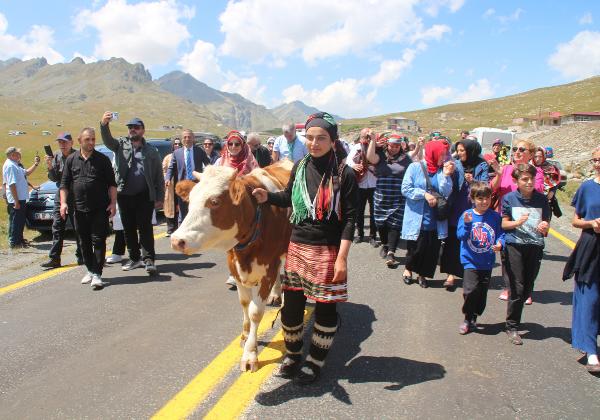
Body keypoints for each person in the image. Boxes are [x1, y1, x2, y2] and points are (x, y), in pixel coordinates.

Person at [252, 112, 358, 384]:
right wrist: (268, 197)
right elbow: (288, 196)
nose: (314, 143)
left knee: (324, 309)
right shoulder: (300, 167)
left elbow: (349, 220)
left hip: (327, 250)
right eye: (309, 138)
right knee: (291, 308)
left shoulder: (343, 174)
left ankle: (315, 361)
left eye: (321, 138)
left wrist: (342, 259)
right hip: (298, 246)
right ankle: (293, 355)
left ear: (333, 141)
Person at [100, 113, 164, 275]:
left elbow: (158, 176)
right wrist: (104, 124)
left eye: (136, 127)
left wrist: (159, 198)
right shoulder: (121, 145)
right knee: (128, 229)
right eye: (130, 127)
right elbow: (108, 141)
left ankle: (149, 260)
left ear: (143, 130)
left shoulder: (151, 150)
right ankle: (135, 258)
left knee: (145, 229)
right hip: (124, 195)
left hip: (144, 196)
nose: (132, 130)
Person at [60, 128, 117, 290]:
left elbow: (112, 184)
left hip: (99, 208)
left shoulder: (103, 160)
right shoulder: (71, 160)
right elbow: (64, 185)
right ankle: (90, 269)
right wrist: (63, 203)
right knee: (83, 241)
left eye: (93, 139)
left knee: (98, 240)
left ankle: (97, 274)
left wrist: (113, 203)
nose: (91, 142)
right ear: (80, 141)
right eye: (88, 139)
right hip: (78, 209)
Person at [501, 163, 550, 345]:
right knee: (517, 286)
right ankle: (512, 326)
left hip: (535, 246)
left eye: (532, 179)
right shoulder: (509, 199)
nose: (529, 183)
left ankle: (513, 320)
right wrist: (517, 223)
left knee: (528, 286)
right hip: (514, 246)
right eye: (525, 179)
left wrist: (545, 227)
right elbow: (504, 224)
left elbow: (546, 225)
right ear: (516, 181)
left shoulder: (542, 200)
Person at [490, 139, 544, 302]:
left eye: (522, 149)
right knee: (507, 253)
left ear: (531, 154)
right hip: (506, 217)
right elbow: (493, 188)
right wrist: (499, 174)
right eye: (515, 149)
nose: (517, 152)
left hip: (527, 219)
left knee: (527, 256)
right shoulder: (506, 169)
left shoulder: (536, 172)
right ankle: (509, 287)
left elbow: (538, 191)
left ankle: (526, 290)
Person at [563, 147, 600, 373]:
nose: (597, 163)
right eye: (595, 159)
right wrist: (591, 223)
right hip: (591, 248)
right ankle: (590, 350)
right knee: (589, 297)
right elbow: (576, 220)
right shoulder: (587, 187)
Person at [401, 140, 455, 287]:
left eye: (445, 154)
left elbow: (446, 192)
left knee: (431, 250)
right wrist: (424, 194)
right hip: (417, 217)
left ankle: (422, 275)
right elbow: (405, 188)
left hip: (436, 219)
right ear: (433, 152)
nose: (444, 157)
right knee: (415, 248)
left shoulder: (441, 170)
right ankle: (408, 269)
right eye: (441, 154)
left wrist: (446, 175)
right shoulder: (414, 167)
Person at [440, 139, 489, 291]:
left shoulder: (482, 165)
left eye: (462, 150)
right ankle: (450, 275)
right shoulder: (456, 163)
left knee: (470, 242)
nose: (459, 153)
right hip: (456, 207)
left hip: (473, 208)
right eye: (458, 150)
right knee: (453, 241)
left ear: (471, 150)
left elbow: (485, 185)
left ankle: (468, 274)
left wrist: (473, 181)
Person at [456, 182, 504, 334]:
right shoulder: (467, 215)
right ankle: (467, 318)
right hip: (470, 260)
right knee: (470, 290)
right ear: (473, 199)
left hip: (487, 261)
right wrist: (468, 224)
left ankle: (474, 317)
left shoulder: (495, 217)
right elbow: (461, 236)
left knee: (481, 293)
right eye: (480, 198)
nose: (484, 202)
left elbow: (502, 234)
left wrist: (500, 243)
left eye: (487, 198)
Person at [216, 130, 260, 290]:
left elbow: (257, 180)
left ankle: (252, 269)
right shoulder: (220, 162)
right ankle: (233, 273)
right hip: (228, 209)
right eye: (230, 144)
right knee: (230, 240)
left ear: (243, 145)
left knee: (248, 240)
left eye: (237, 144)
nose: (233, 147)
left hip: (247, 207)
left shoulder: (250, 160)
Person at [367, 132, 413, 266]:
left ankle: (391, 252)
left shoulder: (406, 159)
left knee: (395, 224)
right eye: (391, 146)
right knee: (380, 223)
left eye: (396, 146)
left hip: (398, 196)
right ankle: (385, 245)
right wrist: (373, 140)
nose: (393, 148)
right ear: (387, 145)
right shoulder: (381, 156)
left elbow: (411, 173)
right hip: (381, 195)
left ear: (400, 147)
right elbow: (370, 157)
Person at [41, 132, 82, 268]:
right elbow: (54, 178)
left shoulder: (78, 156)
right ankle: (55, 258)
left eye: (64, 142)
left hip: (76, 195)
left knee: (79, 227)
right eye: (60, 142)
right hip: (61, 196)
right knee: (57, 227)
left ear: (71, 143)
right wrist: (50, 166)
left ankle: (82, 255)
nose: (62, 145)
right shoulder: (57, 157)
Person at [166, 129, 210, 223]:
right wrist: (168, 178)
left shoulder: (199, 151)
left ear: (193, 138)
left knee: (196, 211)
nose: (187, 139)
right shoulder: (177, 153)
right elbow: (171, 168)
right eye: (185, 137)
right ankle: (181, 233)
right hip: (183, 186)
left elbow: (208, 165)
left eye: (189, 137)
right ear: (182, 139)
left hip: (196, 186)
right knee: (183, 213)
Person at [347, 128, 378, 246]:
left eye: (369, 136)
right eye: (365, 136)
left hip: (374, 184)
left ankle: (373, 236)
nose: (367, 138)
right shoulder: (357, 147)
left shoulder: (376, 147)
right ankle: (360, 234)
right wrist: (354, 165)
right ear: (361, 137)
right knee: (359, 211)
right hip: (360, 184)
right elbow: (348, 160)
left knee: (374, 212)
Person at [3, 146, 37, 248]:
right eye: (18, 153)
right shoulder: (10, 166)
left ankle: (19, 240)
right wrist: (16, 201)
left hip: (20, 197)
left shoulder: (15, 165)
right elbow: (12, 184)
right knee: (16, 221)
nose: (20, 155)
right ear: (12, 155)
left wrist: (36, 164)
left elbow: (26, 173)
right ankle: (14, 243)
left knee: (20, 220)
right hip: (16, 199)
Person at [533, 146, 562, 220]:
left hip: (545, 202)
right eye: (535, 156)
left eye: (540, 156)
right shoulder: (529, 167)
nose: (538, 159)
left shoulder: (550, 168)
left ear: (544, 157)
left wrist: (552, 191)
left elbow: (555, 180)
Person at [163, 138, 182, 236]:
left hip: (181, 185)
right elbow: (164, 170)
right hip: (170, 187)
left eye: (179, 144)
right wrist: (167, 179)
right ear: (173, 145)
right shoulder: (168, 157)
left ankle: (179, 228)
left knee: (180, 206)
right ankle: (170, 229)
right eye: (175, 144)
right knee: (170, 207)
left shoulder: (182, 155)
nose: (177, 145)